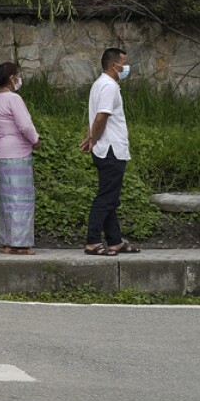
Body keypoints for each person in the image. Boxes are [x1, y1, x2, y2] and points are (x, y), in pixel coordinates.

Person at [79, 47, 140, 255]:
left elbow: (95, 116)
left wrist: (90, 138)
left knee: (110, 197)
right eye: (124, 63)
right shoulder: (109, 86)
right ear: (114, 65)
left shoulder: (100, 85)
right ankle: (93, 241)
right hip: (111, 149)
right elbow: (101, 117)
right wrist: (94, 139)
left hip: (106, 148)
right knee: (106, 198)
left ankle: (114, 240)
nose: (126, 67)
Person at [0, 62, 40, 255]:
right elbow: (25, 125)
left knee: (7, 198)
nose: (20, 78)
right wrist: (35, 140)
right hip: (18, 151)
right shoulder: (13, 99)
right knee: (22, 198)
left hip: (1, 150)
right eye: (18, 75)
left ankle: (7, 242)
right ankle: (21, 243)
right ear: (12, 78)